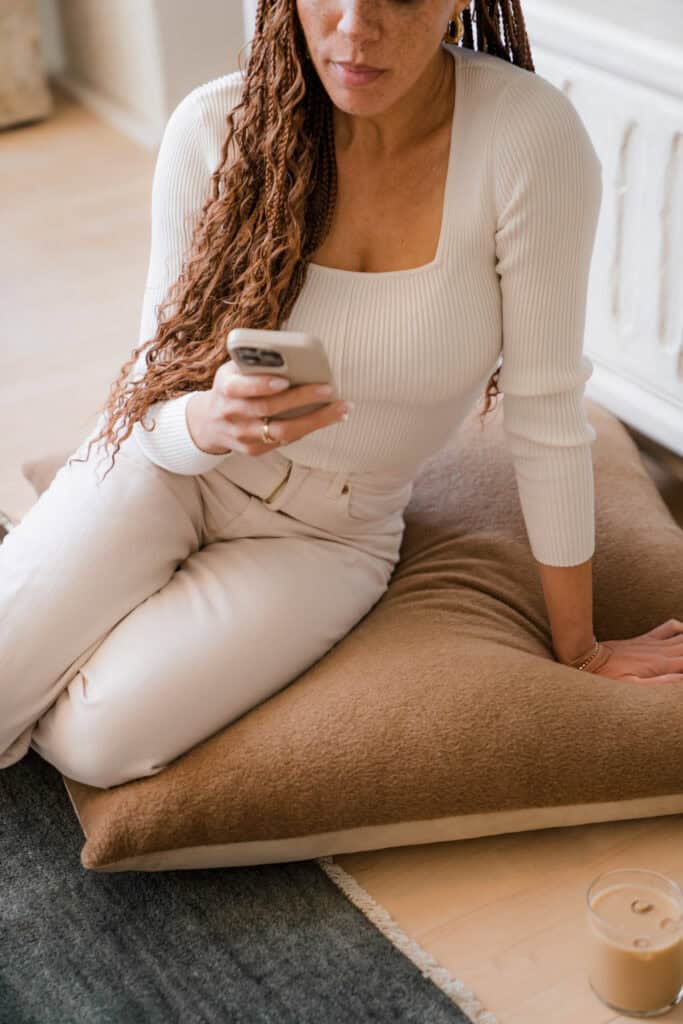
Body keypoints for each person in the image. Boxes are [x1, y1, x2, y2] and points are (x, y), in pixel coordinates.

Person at [2, 0, 681, 788]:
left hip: (330, 536)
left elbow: (546, 411)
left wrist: (582, 649)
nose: (356, 28)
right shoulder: (214, 126)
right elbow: (152, 399)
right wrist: (207, 418)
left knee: (98, 746)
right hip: (169, 472)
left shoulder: (526, 138)